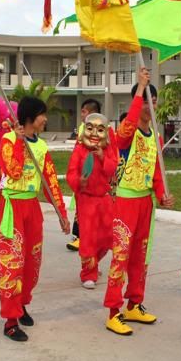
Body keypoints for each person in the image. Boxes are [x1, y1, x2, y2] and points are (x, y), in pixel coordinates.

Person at [104, 67, 174, 336]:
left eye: (154, 100)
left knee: (140, 257)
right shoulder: (127, 133)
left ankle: (134, 303)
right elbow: (126, 130)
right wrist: (140, 88)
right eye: (147, 100)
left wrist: (162, 195)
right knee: (120, 257)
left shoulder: (155, 136)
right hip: (125, 202)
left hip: (145, 204)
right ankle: (113, 311)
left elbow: (156, 170)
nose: (152, 105)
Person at [0, 95, 70, 342]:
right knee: (12, 263)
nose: (45, 119)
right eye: (41, 115)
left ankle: (22, 303)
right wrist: (17, 141)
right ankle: (10, 321)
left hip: (32, 207)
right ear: (29, 117)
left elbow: (50, 182)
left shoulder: (41, 146)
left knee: (31, 263)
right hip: (12, 207)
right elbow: (13, 171)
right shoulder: (8, 140)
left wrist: (62, 213)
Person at [66, 112, 117, 289]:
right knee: (88, 238)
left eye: (100, 130)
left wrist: (103, 157)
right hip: (86, 199)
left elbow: (112, 170)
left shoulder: (108, 150)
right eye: (90, 129)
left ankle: (94, 262)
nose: (94, 134)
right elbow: (70, 174)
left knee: (108, 236)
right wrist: (79, 181)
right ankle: (88, 273)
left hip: (104, 198)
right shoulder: (79, 150)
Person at [66, 97, 103, 252]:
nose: (82, 115)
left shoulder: (90, 130)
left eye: (84, 111)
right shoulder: (88, 128)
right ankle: (80, 237)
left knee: (86, 211)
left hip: (91, 178)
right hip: (83, 177)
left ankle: (82, 238)